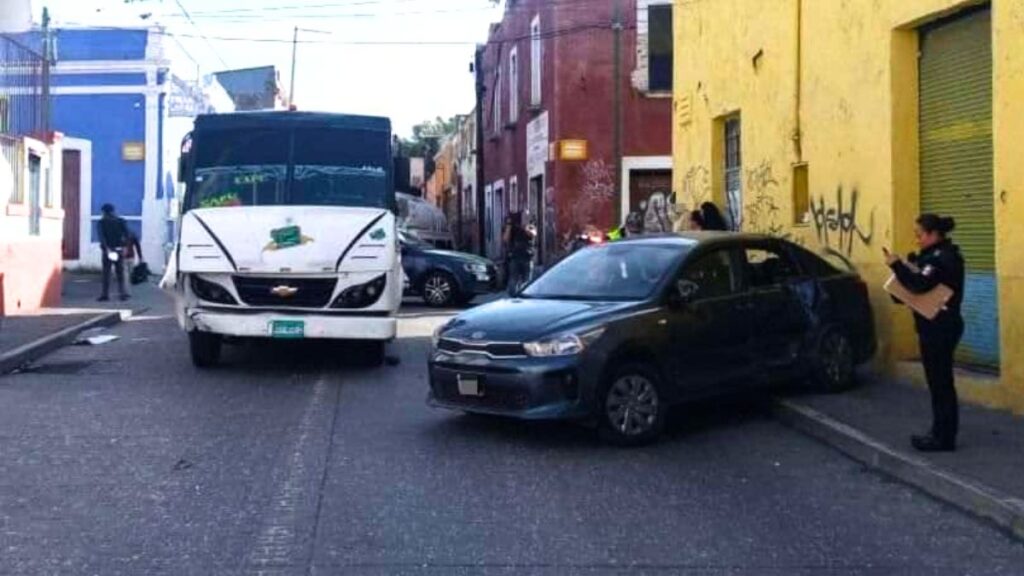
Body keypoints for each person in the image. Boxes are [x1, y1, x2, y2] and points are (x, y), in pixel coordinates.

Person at [885, 214, 965, 452]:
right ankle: (939, 432)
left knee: (941, 384)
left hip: (941, 327)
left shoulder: (944, 258)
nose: (917, 239)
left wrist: (898, 266)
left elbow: (920, 284)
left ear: (932, 234)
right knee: (938, 383)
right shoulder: (934, 257)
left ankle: (943, 437)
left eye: (919, 234)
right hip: (933, 325)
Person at [98, 203, 130, 302]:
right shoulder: (121, 221)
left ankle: (105, 294)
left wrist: (106, 248)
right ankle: (122, 294)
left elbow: (101, 237)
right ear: (113, 211)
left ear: (104, 212)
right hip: (119, 249)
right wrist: (125, 247)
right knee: (120, 273)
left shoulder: (102, 222)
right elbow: (127, 234)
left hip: (108, 250)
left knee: (106, 273)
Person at [503, 212, 534, 295]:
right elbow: (505, 239)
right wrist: (509, 225)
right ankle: (513, 296)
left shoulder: (530, 226)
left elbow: (532, 234)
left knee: (527, 281)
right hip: (515, 257)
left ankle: (526, 295)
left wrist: (525, 226)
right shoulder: (513, 228)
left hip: (527, 257)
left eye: (526, 217)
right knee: (513, 279)